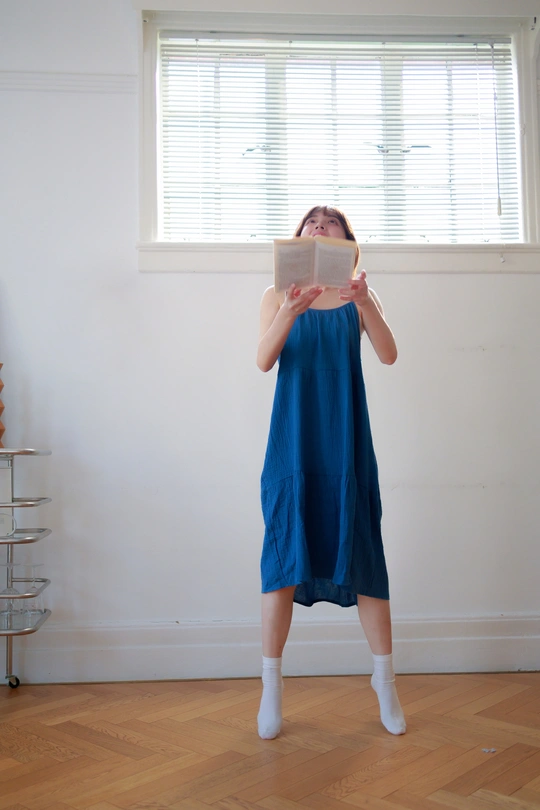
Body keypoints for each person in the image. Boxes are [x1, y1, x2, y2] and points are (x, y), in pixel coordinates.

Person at [256, 205, 406, 740]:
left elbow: (388, 354)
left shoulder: (359, 295)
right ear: (299, 238)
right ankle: (271, 688)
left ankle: (385, 682)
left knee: (366, 560)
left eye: (331, 222)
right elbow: (263, 359)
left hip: (346, 447)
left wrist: (364, 301)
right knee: (282, 563)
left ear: (347, 240)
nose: (319, 226)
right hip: (293, 446)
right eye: (311, 223)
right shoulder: (277, 295)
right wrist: (289, 310)